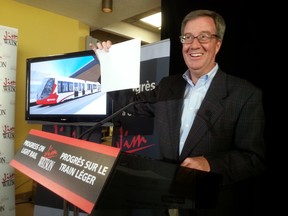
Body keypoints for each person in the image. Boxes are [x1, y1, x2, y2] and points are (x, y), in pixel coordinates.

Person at [90, 9, 265, 216]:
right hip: (164, 203)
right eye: (188, 37)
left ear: (218, 44)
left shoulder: (244, 94)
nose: (194, 45)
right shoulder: (167, 86)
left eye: (204, 36)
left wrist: (210, 164)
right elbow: (130, 105)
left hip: (209, 206)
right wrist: (110, 68)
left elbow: (253, 158)